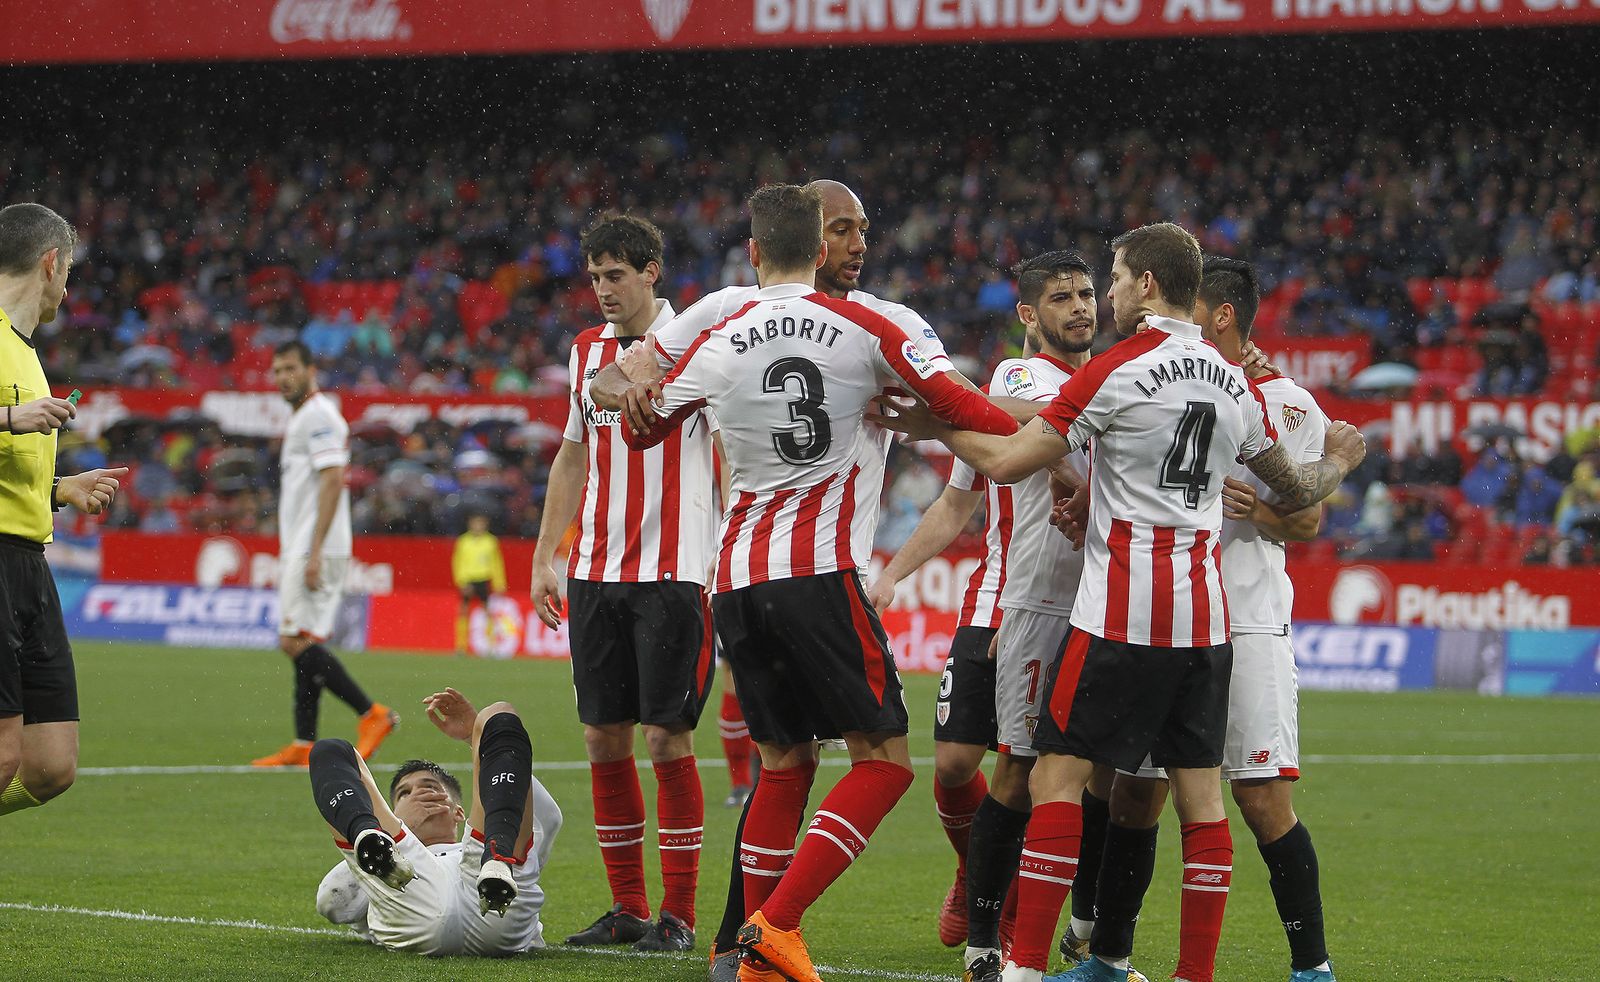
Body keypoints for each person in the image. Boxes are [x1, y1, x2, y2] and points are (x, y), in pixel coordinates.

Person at [868, 222, 1366, 982]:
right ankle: (1187, 974)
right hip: (1205, 624)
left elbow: (1006, 462)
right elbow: (1299, 494)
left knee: (1054, 781)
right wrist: (1337, 458)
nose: (1106, 293)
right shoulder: (1235, 382)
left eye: (1116, 277)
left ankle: (1026, 966)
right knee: (1201, 803)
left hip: (1120, 617)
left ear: (1148, 286)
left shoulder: (1116, 370)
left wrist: (938, 422)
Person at [589, 178, 1031, 981]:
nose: (858, 243)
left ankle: (745, 955)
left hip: (734, 577)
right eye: (843, 229)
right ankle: (773, 928)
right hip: (821, 571)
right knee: (885, 759)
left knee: (784, 763)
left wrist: (641, 402)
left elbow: (637, 413)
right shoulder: (875, 326)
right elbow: (970, 408)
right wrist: (1056, 434)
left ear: (758, 252)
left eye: (865, 228)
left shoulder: (723, 325)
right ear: (814, 245)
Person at [865, 252, 1112, 982]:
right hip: (1002, 596)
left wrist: (944, 411)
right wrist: (890, 578)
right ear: (1029, 317)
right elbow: (957, 500)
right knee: (952, 764)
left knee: (1068, 776)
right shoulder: (1018, 377)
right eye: (1060, 298)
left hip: (1090, 603)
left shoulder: (1114, 381)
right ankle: (979, 875)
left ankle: (1028, 918)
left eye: (1087, 293)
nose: (1080, 307)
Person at [1106, 257, 1339, 982]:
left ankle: (1312, 968)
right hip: (1168, 614)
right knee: (1135, 790)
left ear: (1222, 315)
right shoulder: (1163, 381)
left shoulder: (1290, 403)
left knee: (1262, 797)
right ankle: (1109, 958)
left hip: (1248, 618)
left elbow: (1310, 521)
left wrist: (1265, 510)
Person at [529, 215, 716, 953]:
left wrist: (728, 548)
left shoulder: (695, 348)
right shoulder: (584, 354)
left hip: (673, 571)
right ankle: (629, 908)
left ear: (652, 272)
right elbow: (570, 458)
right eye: (595, 275)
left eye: (616, 274)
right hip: (595, 575)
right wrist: (548, 555)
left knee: (666, 742)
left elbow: (729, 450)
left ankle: (679, 916)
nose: (603, 289)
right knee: (604, 740)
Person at [0, 202, 128, 817]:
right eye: (69, 270)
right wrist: (8, 417)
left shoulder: (28, 355)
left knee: (49, 762)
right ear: (51, 264)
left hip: (29, 560)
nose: (68, 286)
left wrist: (59, 490)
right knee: (3, 755)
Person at [310, 686, 562, 956]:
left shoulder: (473, 840)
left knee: (498, 715)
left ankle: (498, 854)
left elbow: (548, 818)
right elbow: (332, 901)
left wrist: (476, 738)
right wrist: (395, 839)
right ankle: (366, 833)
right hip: (404, 884)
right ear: (392, 814)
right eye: (405, 793)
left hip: (494, 886)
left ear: (458, 812)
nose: (418, 792)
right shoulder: (391, 848)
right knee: (330, 750)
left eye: (431, 786)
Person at [252, 340, 398, 768]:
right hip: (305, 541)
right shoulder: (305, 416)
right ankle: (304, 743)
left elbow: (334, 479)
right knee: (303, 639)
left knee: (292, 640)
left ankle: (372, 714)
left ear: (312, 369)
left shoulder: (319, 416)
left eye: (291, 368)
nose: (283, 378)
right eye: (277, 370)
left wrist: (314, 550)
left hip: (315, 544)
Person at [452, 512, 507, 655]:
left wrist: (499, 582)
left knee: (488, 612)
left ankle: (491, 645)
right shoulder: (463, 541)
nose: (478, 526)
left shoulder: (491, 541)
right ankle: (460, 646)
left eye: (481, 523)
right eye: (475, 523)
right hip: (468, 580)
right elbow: (457, 562)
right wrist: (461, 582)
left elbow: (496, 563)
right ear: (470, 525)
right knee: (463, 611)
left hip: (483, 579)